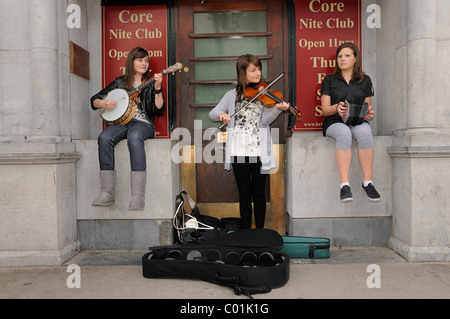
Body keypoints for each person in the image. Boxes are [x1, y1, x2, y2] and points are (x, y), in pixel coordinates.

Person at [209, 54, 289, 229]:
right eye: (253, 70)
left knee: (259, 192)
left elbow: (265, 121)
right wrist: (221, 115)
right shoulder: (232, 96)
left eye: (259, 69)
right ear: (242, 72)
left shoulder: (263, 93)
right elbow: (212, 114)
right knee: (244, 192)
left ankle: (259, 232)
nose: (258, 73)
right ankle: (246, 232)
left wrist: (277, 109)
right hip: (238, 150)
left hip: (259, 150)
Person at [90, 47, 166, 210]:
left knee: (134, 136)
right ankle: (107, 193)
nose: (144, 63)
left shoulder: (151, 83)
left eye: (146, 61)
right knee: (104, 137)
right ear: (131, 61)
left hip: (143, 124)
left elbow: (159, 110)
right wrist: (103, 103)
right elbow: (94, 100)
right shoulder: (119, 82)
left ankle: (138, 196)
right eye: (140, 60)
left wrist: (158, 87)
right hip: (122, 123)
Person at [321, 42, 380, 202]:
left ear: (355, 59)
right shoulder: (329, 80)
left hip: (356, 120)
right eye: (339, 56)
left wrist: (369, 112)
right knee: (344, 133)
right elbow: (325, 110)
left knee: (366, 134)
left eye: (347, 56)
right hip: (334, 121)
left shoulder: (365, 80)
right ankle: (344, 185)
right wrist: (336, 108)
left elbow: (367, 106)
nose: (342, 59)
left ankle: (367, 182)